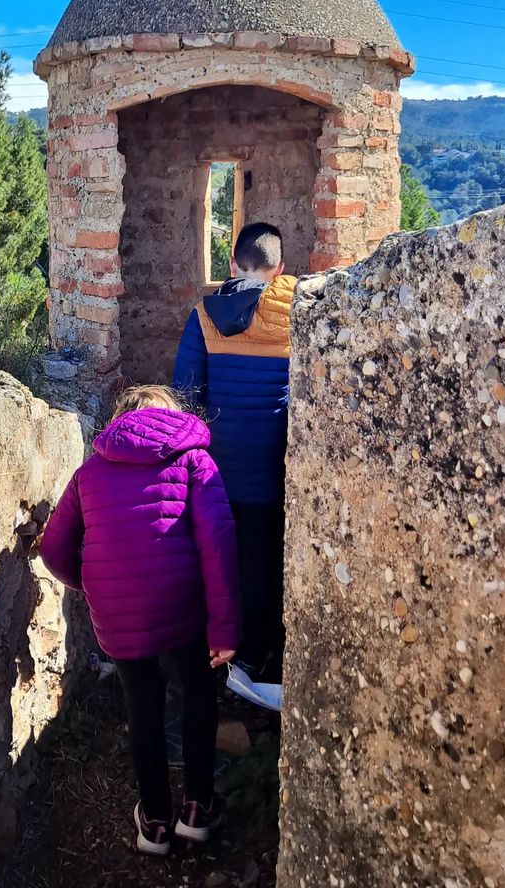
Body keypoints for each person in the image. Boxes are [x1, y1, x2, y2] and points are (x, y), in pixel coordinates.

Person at [38, 385, 240, 857]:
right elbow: (218, 544)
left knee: (143, 706)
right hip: (182, 602)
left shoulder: (89, 472)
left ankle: (154, 824)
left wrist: (93, 585)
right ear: (171, 418)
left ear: (120, 421)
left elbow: (53, 549)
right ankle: (197, 810)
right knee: (197, 692)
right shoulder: (194, 462)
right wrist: (225, 626)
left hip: (118, 613)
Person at [172, 222, 294, 712]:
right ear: (279, 269)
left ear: (231, 264)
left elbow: (185, 398)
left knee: (216, 565)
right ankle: (257, 662)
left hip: (215, 476)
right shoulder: (298, 313)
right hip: (273, 473)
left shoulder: (204, 316)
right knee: (264, 569)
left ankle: (213, 666)